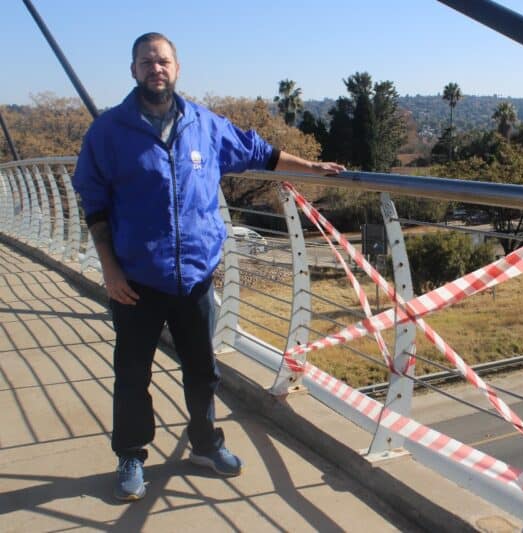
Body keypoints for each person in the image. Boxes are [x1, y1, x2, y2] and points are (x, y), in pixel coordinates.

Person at [72, 32, 345, 501]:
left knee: (203, 370)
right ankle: (132, 456)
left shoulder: (204, 124)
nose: (155, 68)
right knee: (132, 372)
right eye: (146, 61)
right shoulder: (109, 132)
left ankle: (205, 444)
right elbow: (93, 202)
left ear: (177, 68)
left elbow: (259, 151)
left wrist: (311, 167)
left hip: (195, 277)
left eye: (163, 60)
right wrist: (111, 270)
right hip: (136, 279)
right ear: (133, 70)